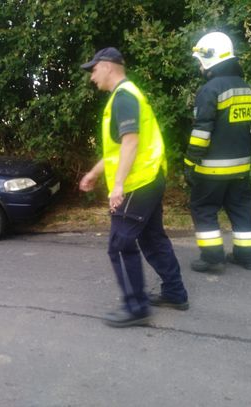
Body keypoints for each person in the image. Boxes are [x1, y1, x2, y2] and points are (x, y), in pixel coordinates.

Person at [79, 47, 189, 328]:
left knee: (120, 244)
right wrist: (94, 172)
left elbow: (131, 142)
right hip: (149, 177)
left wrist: (117, 186)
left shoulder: (124, 97)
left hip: (137, 182)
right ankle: (175, 293)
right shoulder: (126, 95)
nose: (92, 77)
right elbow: (118, 148)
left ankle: (136, 307)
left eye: (93, 70)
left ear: (107, 66)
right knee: (152, 238)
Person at [186, 32, 251, 273]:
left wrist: (190, 162)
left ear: (210, 58)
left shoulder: (210, 89)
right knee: (240, 208)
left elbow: (202, 131)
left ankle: (212, 257)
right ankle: (246, 256)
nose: (199, 64)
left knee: (202, 208)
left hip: (213, 167)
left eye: (200, 59)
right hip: (241, 166)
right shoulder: (245, 88)